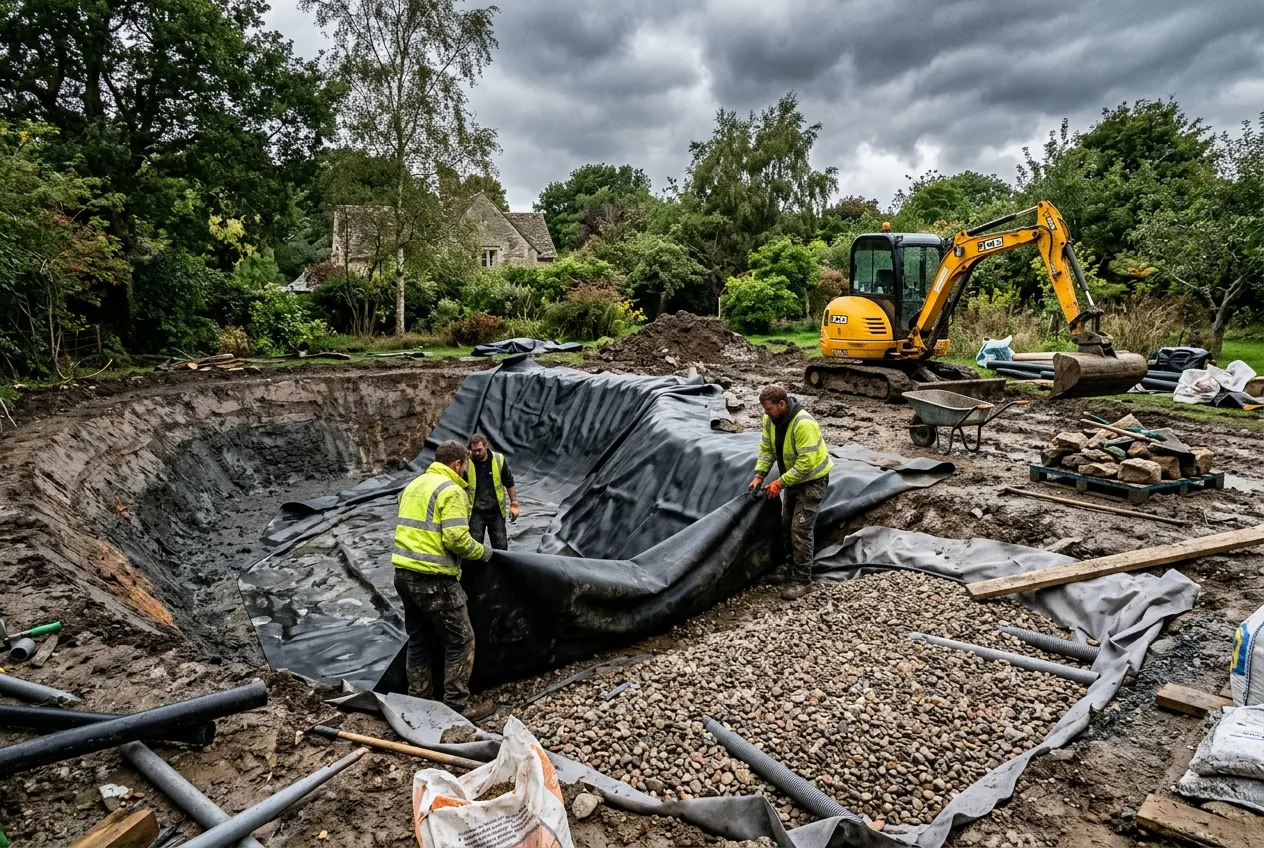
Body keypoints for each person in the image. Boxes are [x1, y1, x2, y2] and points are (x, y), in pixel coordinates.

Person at [392, 439, 494, 720]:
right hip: (434, 580)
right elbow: (456, 538)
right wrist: (484, 553)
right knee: (461, 640)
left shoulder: (414, 485)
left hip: (403, 575)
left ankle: (420, 702)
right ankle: (457, 707)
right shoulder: (450, 490)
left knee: (419, 639)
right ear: (458, 464)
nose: (465, 474)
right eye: (465, 468)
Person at [748, 385, 833, 601]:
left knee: (801, 529)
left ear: (782, 404)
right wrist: (760, 474)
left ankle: (803, 580)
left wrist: (780, 483)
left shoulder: (804, 424)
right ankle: (789, 567)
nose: (766, 413)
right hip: (793, 478)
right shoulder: (770, 421)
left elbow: (806, 465)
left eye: (769, 409)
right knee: (786, 525)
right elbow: (767, 449)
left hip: (812, 480)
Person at [466, 433, 519, 550]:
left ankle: (500, 568)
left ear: (486, 446)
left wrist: (514, 504)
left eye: (479, 450)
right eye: (474, 451)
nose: (476, 453)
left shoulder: (498, 460)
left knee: (500, 546)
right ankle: (475, 568)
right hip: (475, 512)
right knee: (474, 548)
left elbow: (509, 482)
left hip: (496, 512)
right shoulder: (467, 462)